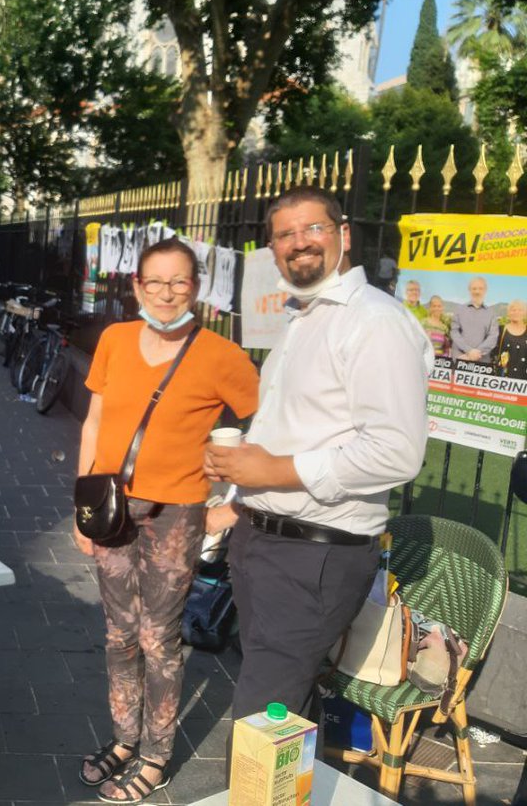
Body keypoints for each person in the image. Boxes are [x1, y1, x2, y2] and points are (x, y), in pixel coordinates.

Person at [205, 186, 431, 767]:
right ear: (272, 248)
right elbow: (295, 432)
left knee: (260, 719)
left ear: (344, 234)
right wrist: (237, 492)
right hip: (263, 541)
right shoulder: (301, 318)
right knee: (284, 708)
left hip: (314, 557)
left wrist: (272, 469)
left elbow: (396, 452)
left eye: (313, 229)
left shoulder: (374, 323)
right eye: (284, 234)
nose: (298, 242)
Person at [73, 237, 259, 804]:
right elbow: (94, 421)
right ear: (136, 286)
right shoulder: (115, 339)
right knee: (117, 635)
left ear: (197, 289)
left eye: (179, 282)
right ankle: (125, 740)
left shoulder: (223, 356)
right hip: (110, 508)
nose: (166, 293)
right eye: (155, 282)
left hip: (177, 516)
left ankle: (156, 755)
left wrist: (234, 507)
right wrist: (79, 510)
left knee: (159, 639)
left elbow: (271, 431)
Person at [451, 276, 499, 363]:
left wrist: (477, 353)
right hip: (460, 358)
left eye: (480, 288)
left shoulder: (492, 313)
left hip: (482, 362)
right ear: (469, 290)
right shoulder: (459, 309)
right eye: (474, 288)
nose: (477, 291)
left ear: (485, 290)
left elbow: (493, 336)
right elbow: (454, 332)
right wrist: (469, 351)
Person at [495, 299, 527, 380]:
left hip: (523, 380)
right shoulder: (500, 330)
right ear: (508, 313)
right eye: (513, 310)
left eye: (520, 310)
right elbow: (493, 352)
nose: (516, 312)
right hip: (502, 377)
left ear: (524, 313)